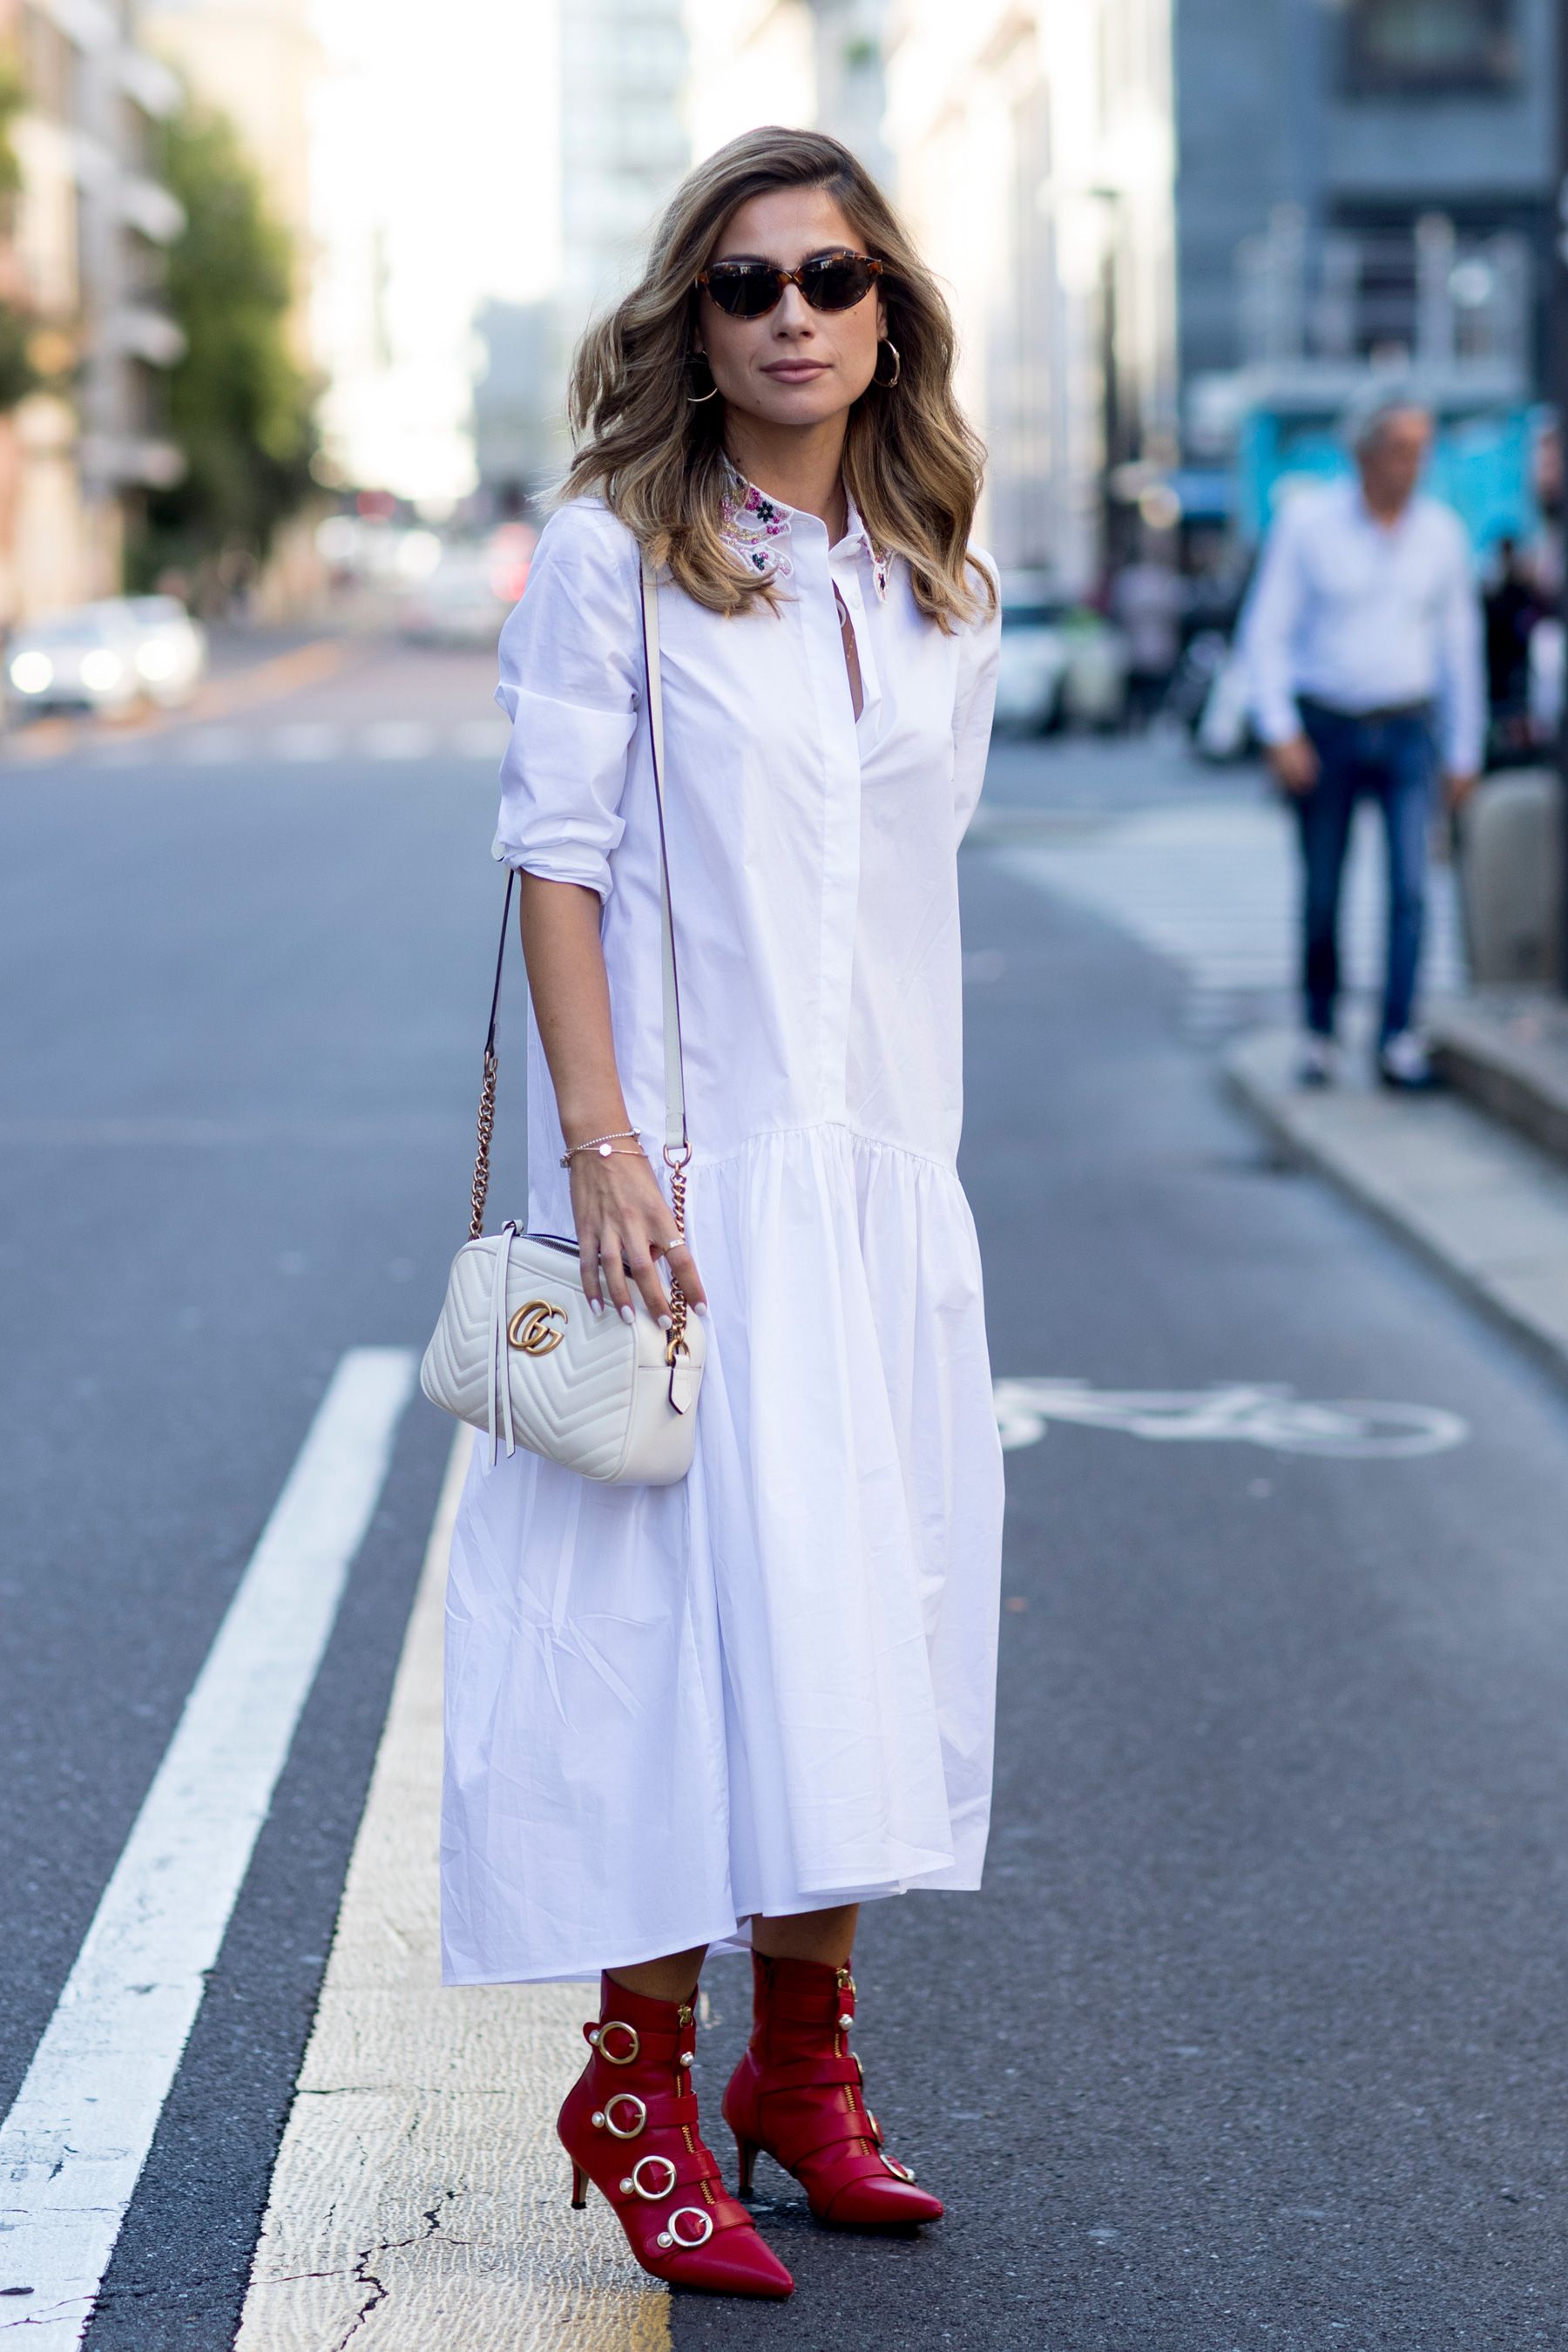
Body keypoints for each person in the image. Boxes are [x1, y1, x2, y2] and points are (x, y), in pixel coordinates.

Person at [440, 127, 1004, 2300]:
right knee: (670, 1654)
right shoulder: (613, 559)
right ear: (695, 317)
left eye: (832, 280)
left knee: (856, 1619)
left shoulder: (933, 574)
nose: (791, 315)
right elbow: (556, 856)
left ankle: (807, 2062)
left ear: (889, 322)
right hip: (679, 1185)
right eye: (748, 283)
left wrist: (918, 1177)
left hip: (877, 1180)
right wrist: (604, 1150)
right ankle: (634, 2080)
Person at [1241, 391, 1484, 1088]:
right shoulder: (1308, 523)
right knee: (1323, 891)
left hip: (1409, 729)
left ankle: (1397, 1038)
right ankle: (1320, 1033)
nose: (1412, 465)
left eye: (1421, 451)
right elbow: (1267, 631)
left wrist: (1465, 750)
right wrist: (1279, 730)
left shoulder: (1441, 533)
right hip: (1328, 730)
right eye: (1400, 450)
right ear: (1365, 453)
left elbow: (1458, 646)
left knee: (1410, 890)